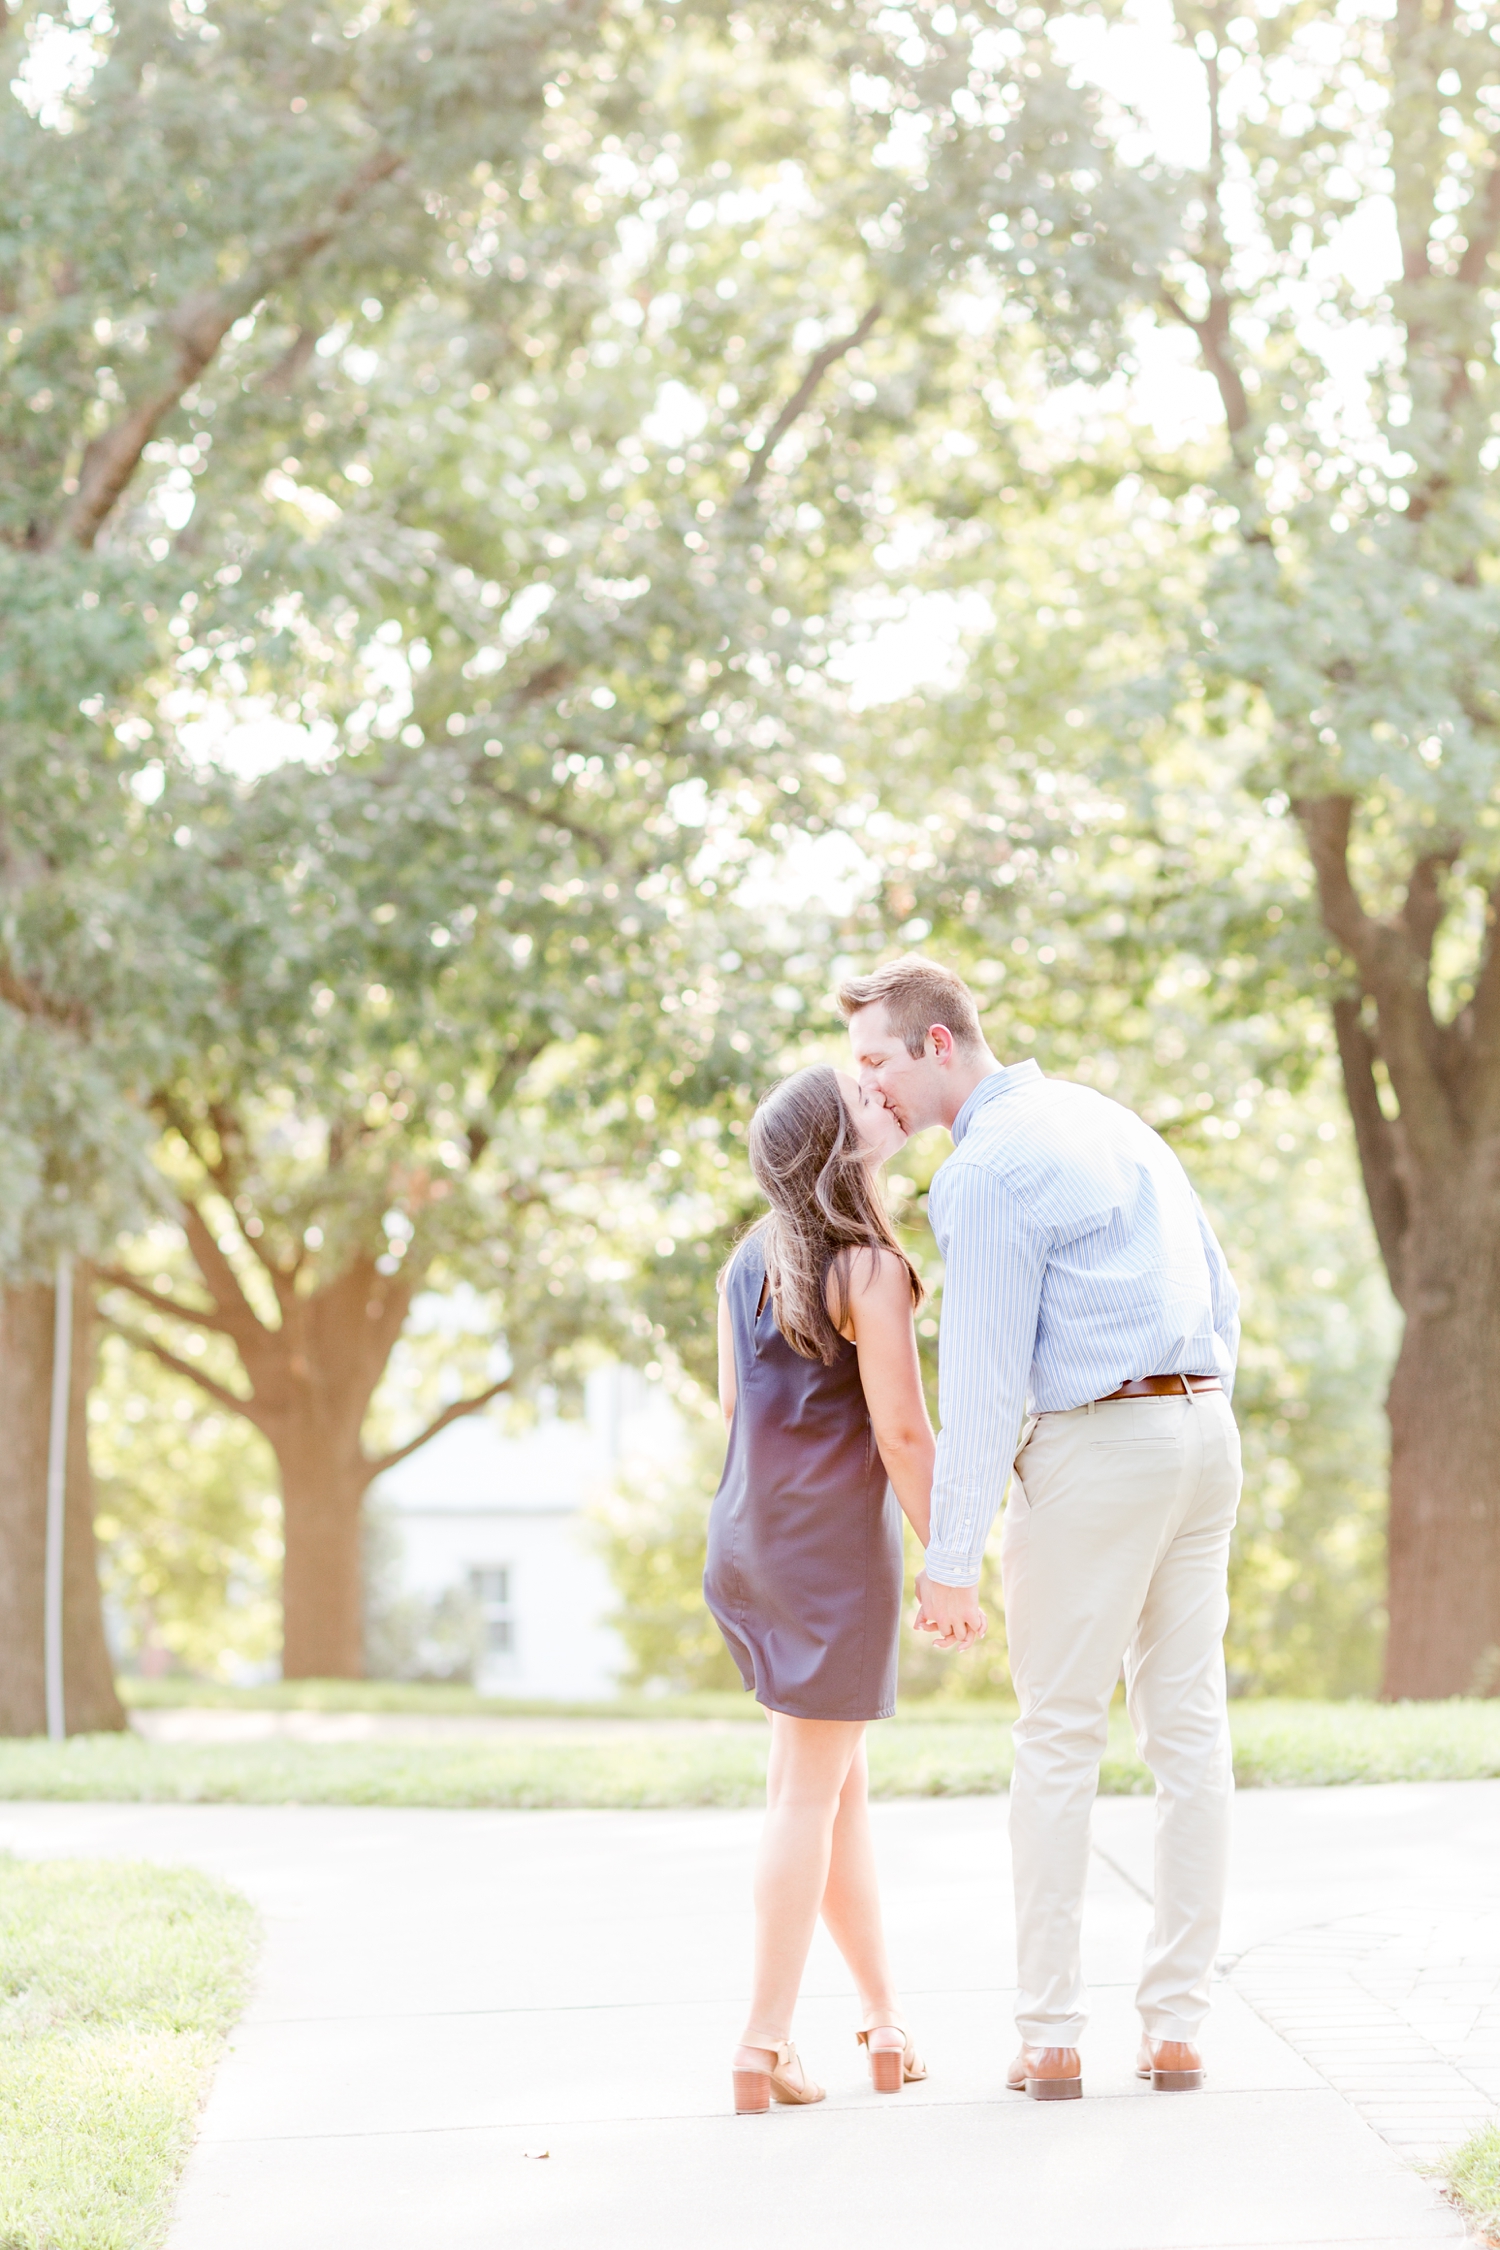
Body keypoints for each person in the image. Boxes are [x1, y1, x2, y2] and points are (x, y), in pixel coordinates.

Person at [840, 955, 1242, 2104]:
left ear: (936, 1045)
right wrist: (1195, 1417)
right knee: (1189, 1735)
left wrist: (949, 1564)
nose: (871, 1093)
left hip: (1099, 1446)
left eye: (877, 1064)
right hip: (1205, 1431)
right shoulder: (1111, 1120)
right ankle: (1176, 2030)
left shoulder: (987, 1170)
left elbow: (981, 1385)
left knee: (1060, 1736)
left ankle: (1053, 2035)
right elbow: (1221, 1296)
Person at [704, 1064, 936, 2116]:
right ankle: (763, 2043)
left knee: (835, 1786)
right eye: (863, 1099)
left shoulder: (745, 1261)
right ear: (838, 1145)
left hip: (751, 1543)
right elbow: (901, 1432)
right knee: (805, 1789)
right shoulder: (871, 1270)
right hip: (834, 1558)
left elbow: (730, 1412)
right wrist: (953, 1558)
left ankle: (886, 2018)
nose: (882, 1100)